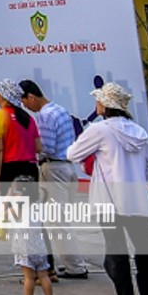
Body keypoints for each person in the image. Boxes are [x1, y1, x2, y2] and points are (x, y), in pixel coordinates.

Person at [70, 83, 148, 295]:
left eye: (99, 100)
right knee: (147, 254)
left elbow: (73, 153)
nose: (96, 104)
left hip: (109, 200)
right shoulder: (139, 131)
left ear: (105, 105)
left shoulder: (100, 129)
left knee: (116, 256)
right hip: (138, 200)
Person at [19, 78, 91, 279]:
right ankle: (74, 265)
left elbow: (46, 148)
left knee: (58, 221)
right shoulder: (60, 110)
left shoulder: (45, 116)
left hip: (53, 168)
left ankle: (75, 267)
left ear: (31, 97)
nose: (25, 106)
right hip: (67, 167)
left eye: (25, 102)